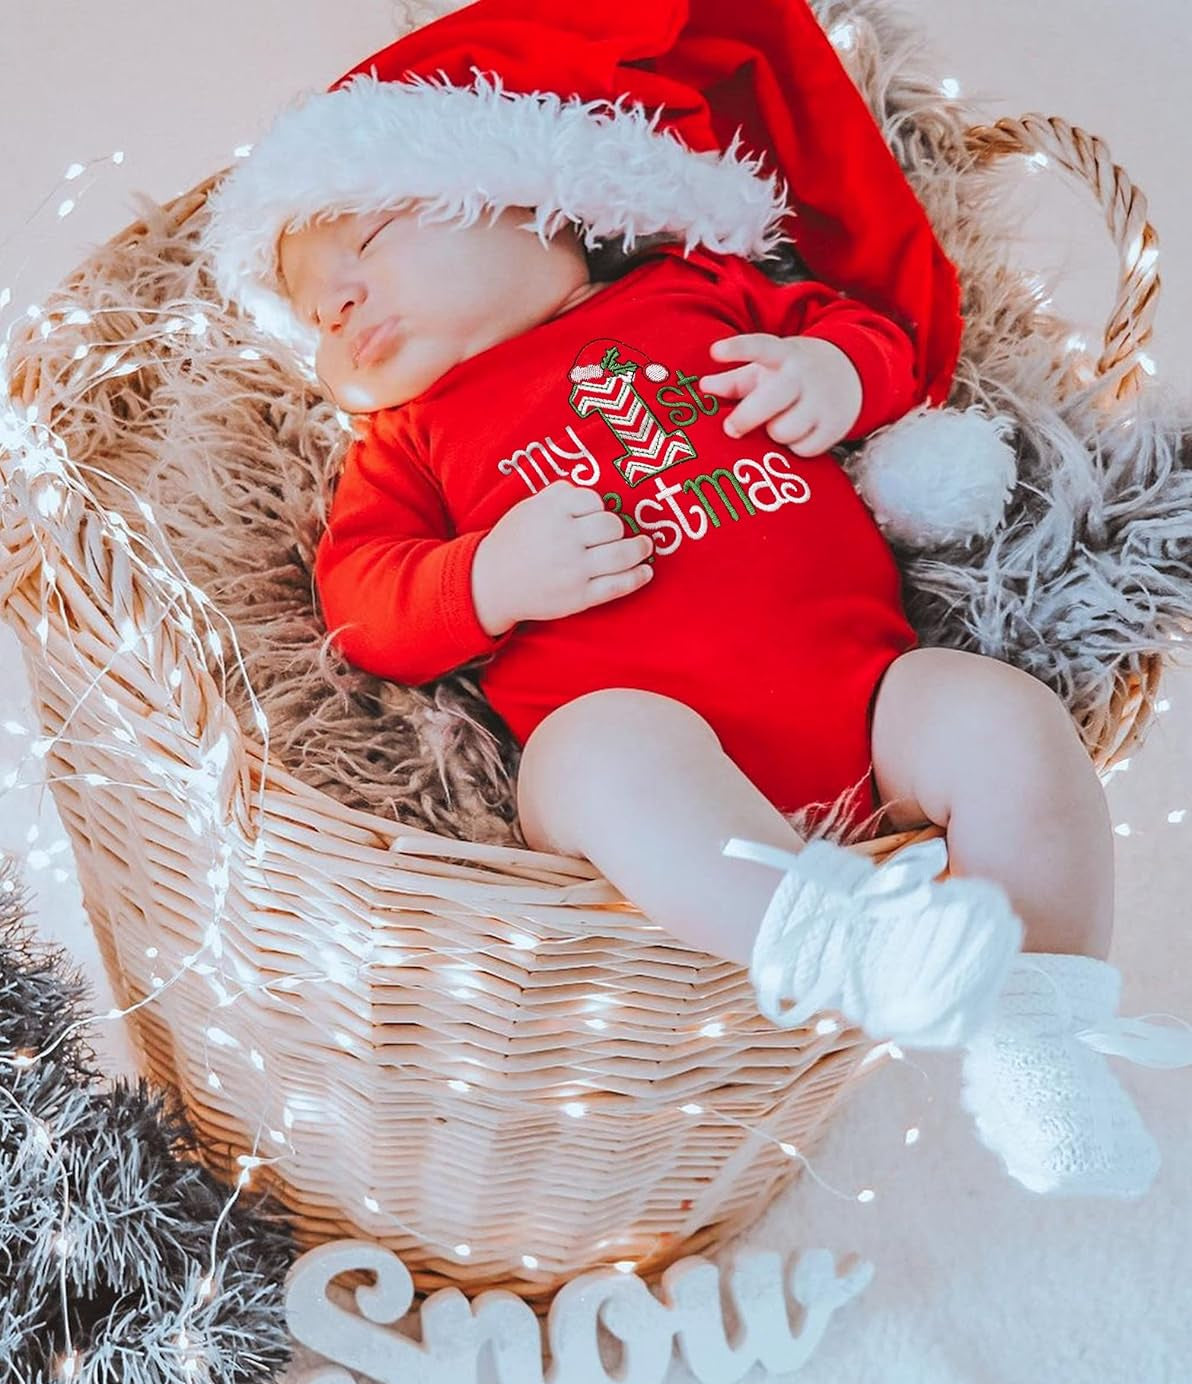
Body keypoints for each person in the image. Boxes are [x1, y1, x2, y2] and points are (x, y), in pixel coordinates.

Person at [204, 0, 1188, 1198]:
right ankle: (846, 949)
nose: (341, 306)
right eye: (316, 310)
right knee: (592, 750)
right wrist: (485, 578)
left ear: (536, 199)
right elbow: (359, 603)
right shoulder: (407, 439)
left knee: (1001, 715)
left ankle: (1034, 1032)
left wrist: (829, 372)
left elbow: (867, 329)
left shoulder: (695, 291)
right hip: (649, 755)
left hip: (868, 707)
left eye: (375, 238)